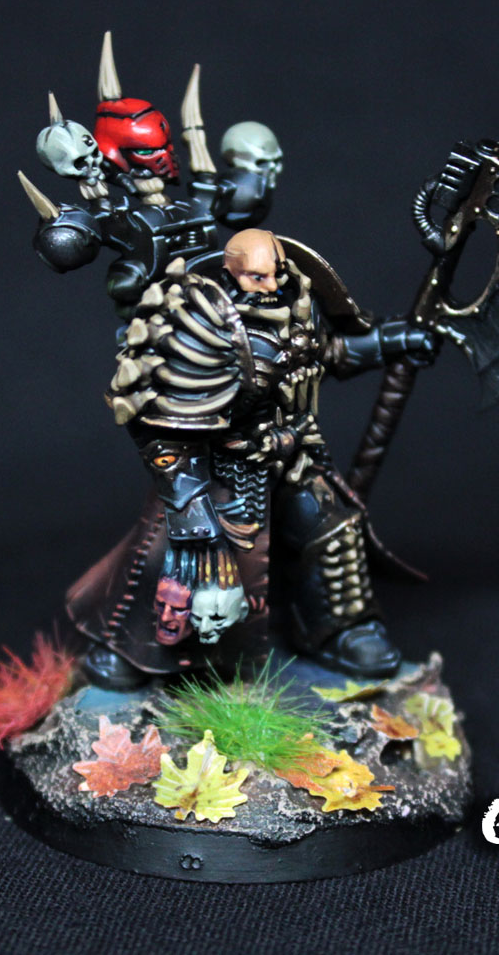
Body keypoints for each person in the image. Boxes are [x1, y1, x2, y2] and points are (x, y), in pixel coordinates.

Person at [67, 229, 439, 690]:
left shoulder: (298, 307)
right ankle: (135, 650)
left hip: (295, 457)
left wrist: (392, 341)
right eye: (257, 277)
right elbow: (165, 427)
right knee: (186, 556)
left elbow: (328, 356)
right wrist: (190, 505)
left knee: (330, 526)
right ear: (232, 272)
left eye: (276, 273)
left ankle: (341, 628)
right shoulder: (206, 325)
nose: (271, 285)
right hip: (224, 467)